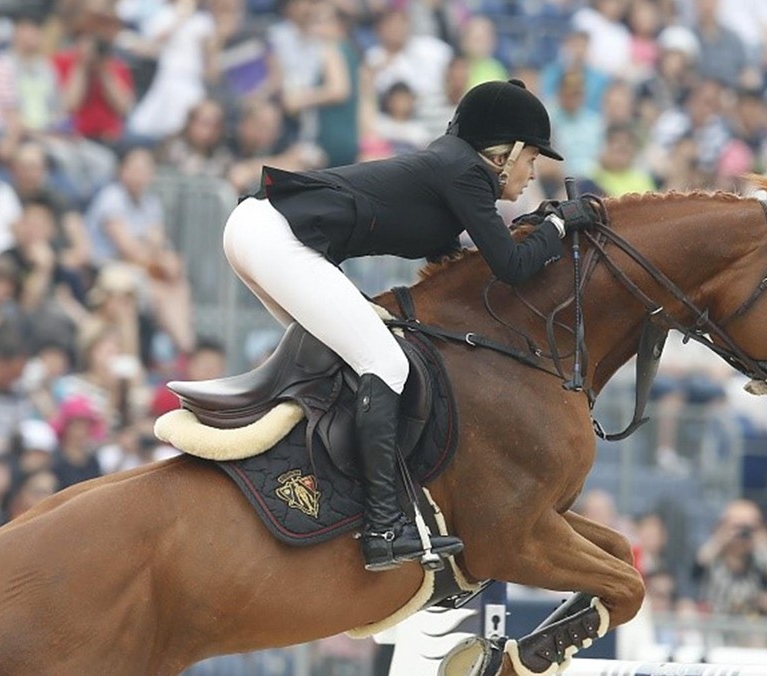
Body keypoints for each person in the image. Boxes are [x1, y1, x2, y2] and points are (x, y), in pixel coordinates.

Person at [220, 79, 597, 571]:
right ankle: (382, 528)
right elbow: (511, 265)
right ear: (503, 155)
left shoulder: (450, 169)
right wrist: (557, 225)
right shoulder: (465, 173)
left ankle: (323, 494)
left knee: (345, 362)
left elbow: (469, 267)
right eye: (531, 160)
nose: (532, 174)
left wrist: (543, 229)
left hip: (261, 231)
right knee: (384, 361)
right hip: (275, 237)